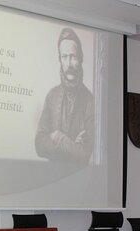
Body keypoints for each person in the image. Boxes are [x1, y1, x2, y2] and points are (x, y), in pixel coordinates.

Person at [35, 27, 94, 163]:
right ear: (60, 60)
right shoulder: (52, 96)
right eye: (64, 57)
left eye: (73, 57)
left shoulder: (90, 101)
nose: (68, 64)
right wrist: (72, 144)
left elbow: (84, 154)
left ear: (80, 58)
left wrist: (57, 138)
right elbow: (39, 143)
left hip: (80, 180)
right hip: (52, 178)